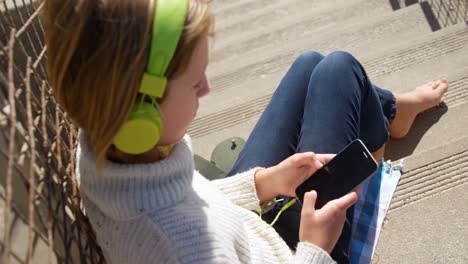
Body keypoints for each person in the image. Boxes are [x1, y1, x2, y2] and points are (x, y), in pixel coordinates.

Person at [42, 0, 448, 263]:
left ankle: (392, 109)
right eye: (194, 81)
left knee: (311, 63)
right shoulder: (180, 251)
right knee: (339, 68)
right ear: (140, 118)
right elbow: (185, 230)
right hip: (293, 252)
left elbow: (185, 200)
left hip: (245, 226)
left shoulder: (112, 143)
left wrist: (263, 183)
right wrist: (315, 248)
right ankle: (391, 114)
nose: (208, 88)